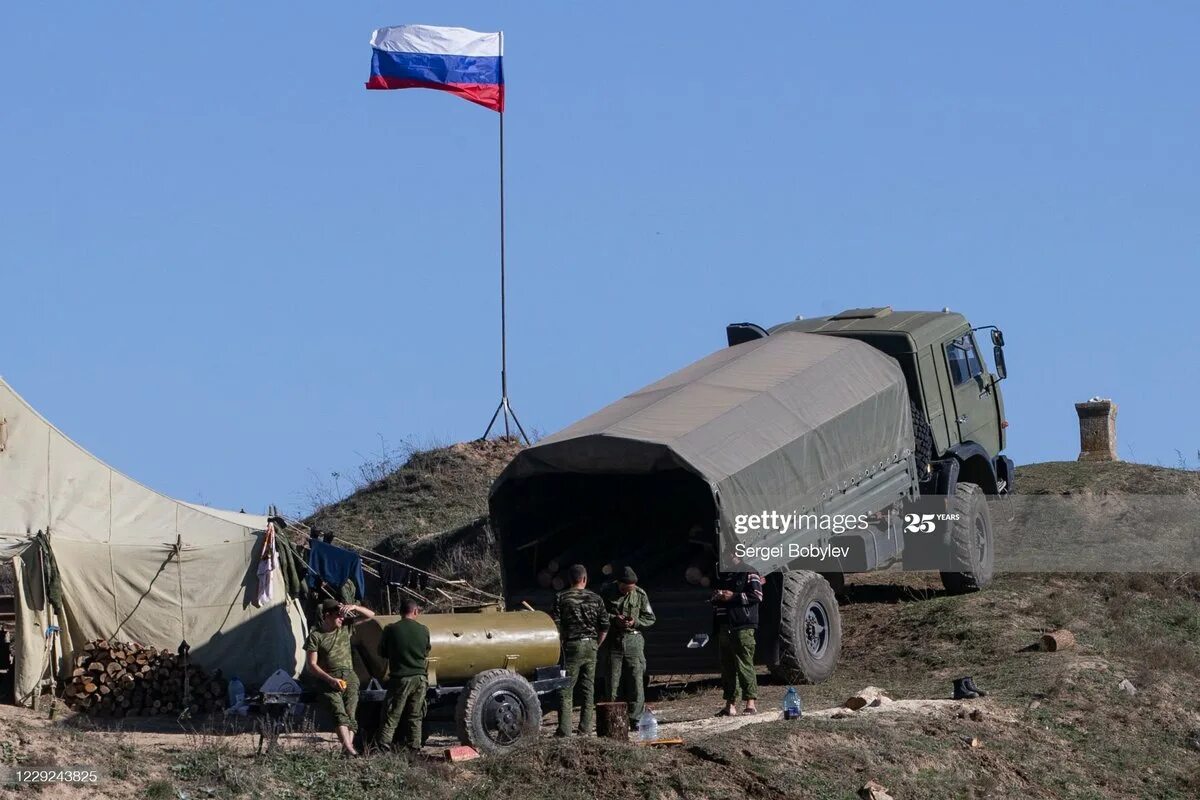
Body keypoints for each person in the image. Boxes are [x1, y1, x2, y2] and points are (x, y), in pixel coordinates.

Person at [304, 598, 375, 755]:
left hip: (349, 675)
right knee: (338, 711)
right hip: (329, 677)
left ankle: (347, 749)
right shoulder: (316, 636)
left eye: (342, 615)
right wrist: (330, 680)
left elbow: (371, 616)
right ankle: (350, 748)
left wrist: (355, 607)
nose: (341, 618)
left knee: (350, 713)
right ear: (327, 616)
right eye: (338, 615)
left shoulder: (345, 628)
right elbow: (312, 665)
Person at [551, 564, 609, 737]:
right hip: (591, 645)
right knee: (588, 689)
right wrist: (596, 644)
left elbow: (556, 626)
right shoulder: (596, 598)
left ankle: (565, 730)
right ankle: (584, 729)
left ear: (569, 580)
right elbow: (605, 626)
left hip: (572, 647)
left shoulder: (561, 597)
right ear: (584, 579)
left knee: (566, 688)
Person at [600, 566, 656, 728]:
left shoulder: (639, 594)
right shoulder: (606, 592)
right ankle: (611, 720)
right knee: (612, 682)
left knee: (636, 681)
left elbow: (650, 618)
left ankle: (635, 719)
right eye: (624, 589)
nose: (627, 592)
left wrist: (635, 622)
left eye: (630, 589)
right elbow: (599, 614)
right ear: (619, 583)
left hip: (633, 641)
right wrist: (614, 619)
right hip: (614, 641)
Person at [377, 598, 432, 752]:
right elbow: (426, 651)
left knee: (392, 714)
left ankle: (383, 746)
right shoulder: (424, 630)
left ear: (400, 612)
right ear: (415, 611)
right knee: (415, 716)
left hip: (401, 678)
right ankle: (415, 748)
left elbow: (382, 652)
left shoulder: (391, 629)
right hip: (420, 678)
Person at [712, 570, 762, 716]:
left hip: (742, 626)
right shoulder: (722, 576)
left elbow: (757, 596)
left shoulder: (749, 573)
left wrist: (733, 596)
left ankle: (750, 703)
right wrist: (716, 597)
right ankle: (730, 704)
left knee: (744, 664)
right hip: (724, 626)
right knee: (727, 667)